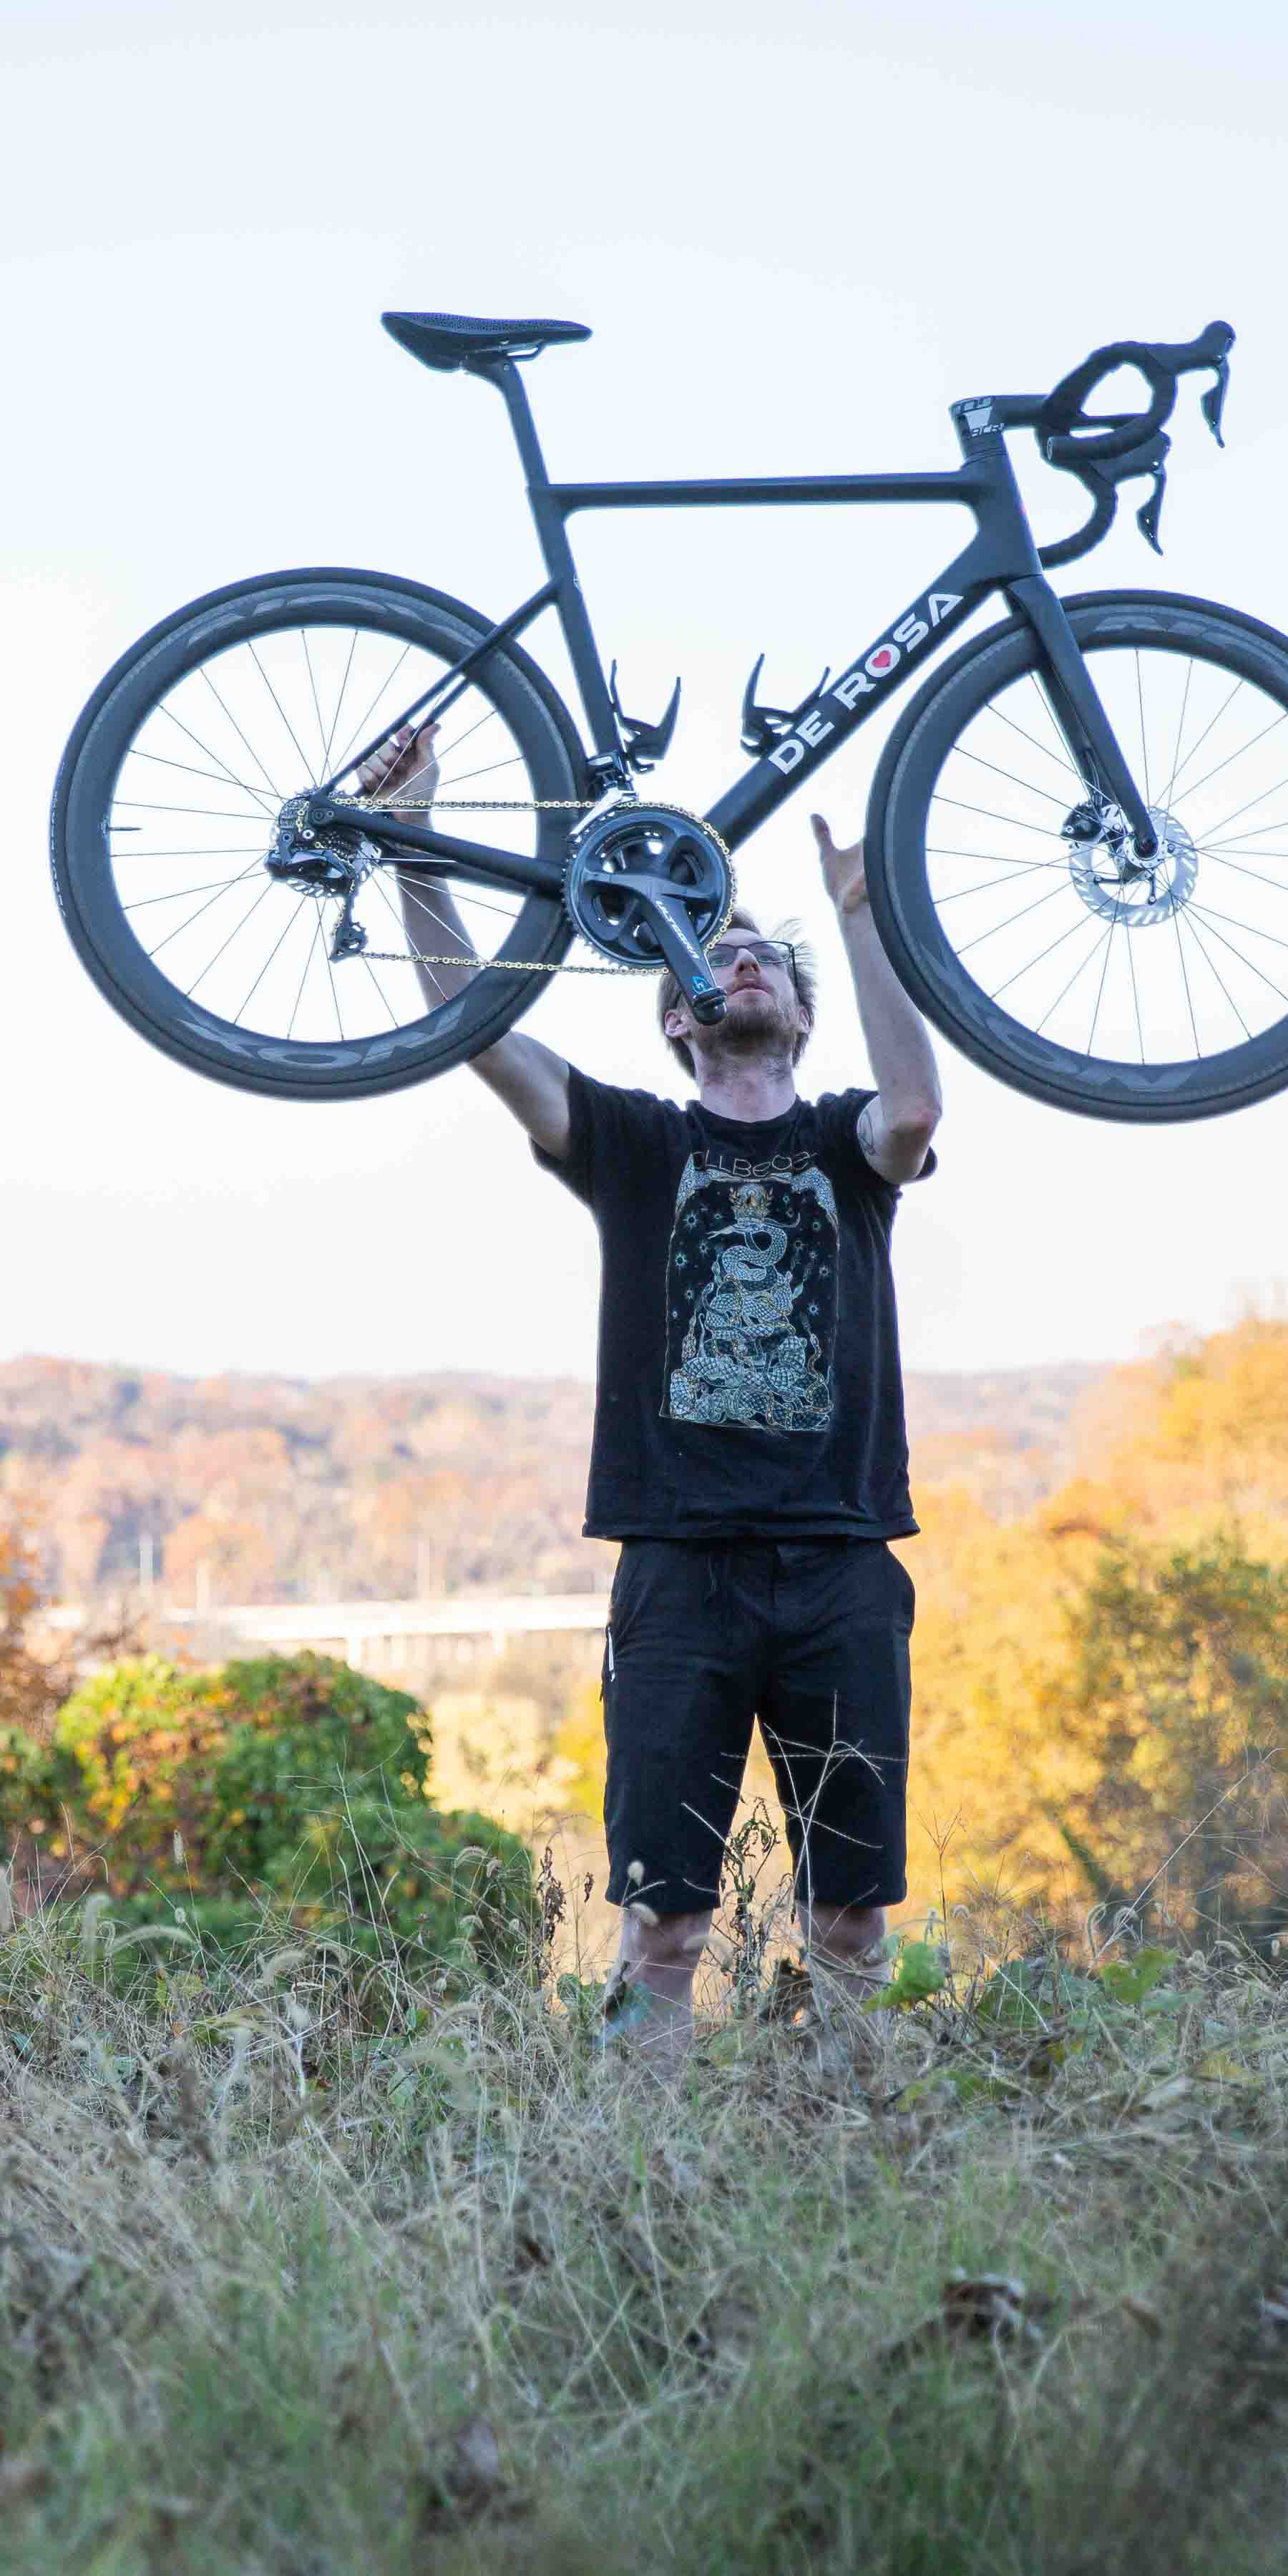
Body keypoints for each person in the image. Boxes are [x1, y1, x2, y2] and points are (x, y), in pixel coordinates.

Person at [353, 723, 942, 2058]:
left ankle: (857, 2153)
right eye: (720, 958)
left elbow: (914, 1113)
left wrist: (859, 921)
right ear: (678, 1012)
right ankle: (642, 2179)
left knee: (850, 1919)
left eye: (767, 963)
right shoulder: (632, 1141)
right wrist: (417, 852)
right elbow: (476, 1028)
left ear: (795, 1013)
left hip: (844, 1563)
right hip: (677, 1572)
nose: (743, 963)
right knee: (663, 1927)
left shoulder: (846, 1141)